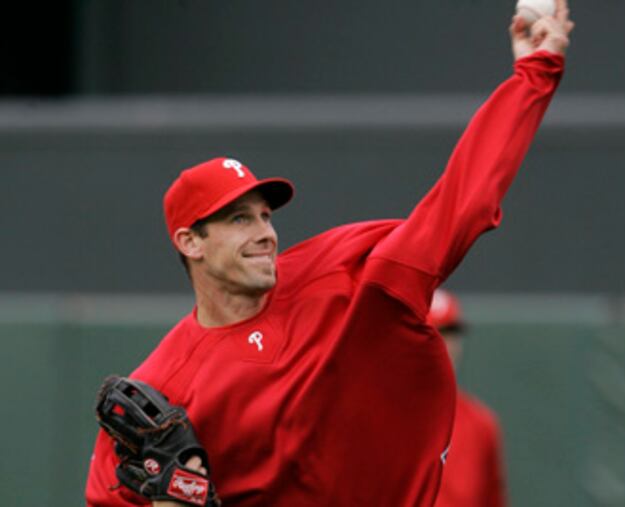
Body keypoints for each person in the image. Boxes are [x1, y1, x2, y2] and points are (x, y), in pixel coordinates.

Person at [85, 3, 573, 505]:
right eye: (238, 219)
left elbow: (463, 201)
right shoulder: (164, 386)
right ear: (191, 242)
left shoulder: (345, 281)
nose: (264, 233)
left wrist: (534, 75)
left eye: (265, 216)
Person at [429, 289, 508, 507]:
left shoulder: (481, 423)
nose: (447, 344)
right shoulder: (384, 418)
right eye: (436, 333)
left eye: (452, 333)